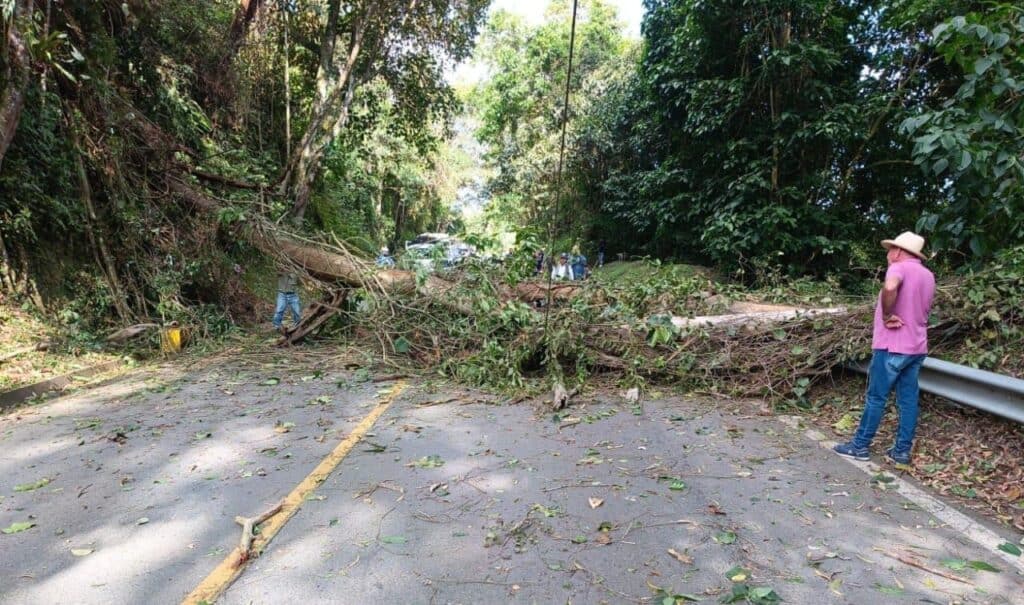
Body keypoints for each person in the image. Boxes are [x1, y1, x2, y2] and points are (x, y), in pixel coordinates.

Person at [834, 232, 935, 465]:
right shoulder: (928, 275)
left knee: (876, 397)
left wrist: (887, 315)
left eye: (890, 250)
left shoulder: (897, 268)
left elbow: (890, 287)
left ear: (898, 251)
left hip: (892, 346)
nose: (888, 254)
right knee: (908, 400)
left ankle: (859, 446)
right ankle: (901, 451)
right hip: (917, 347)